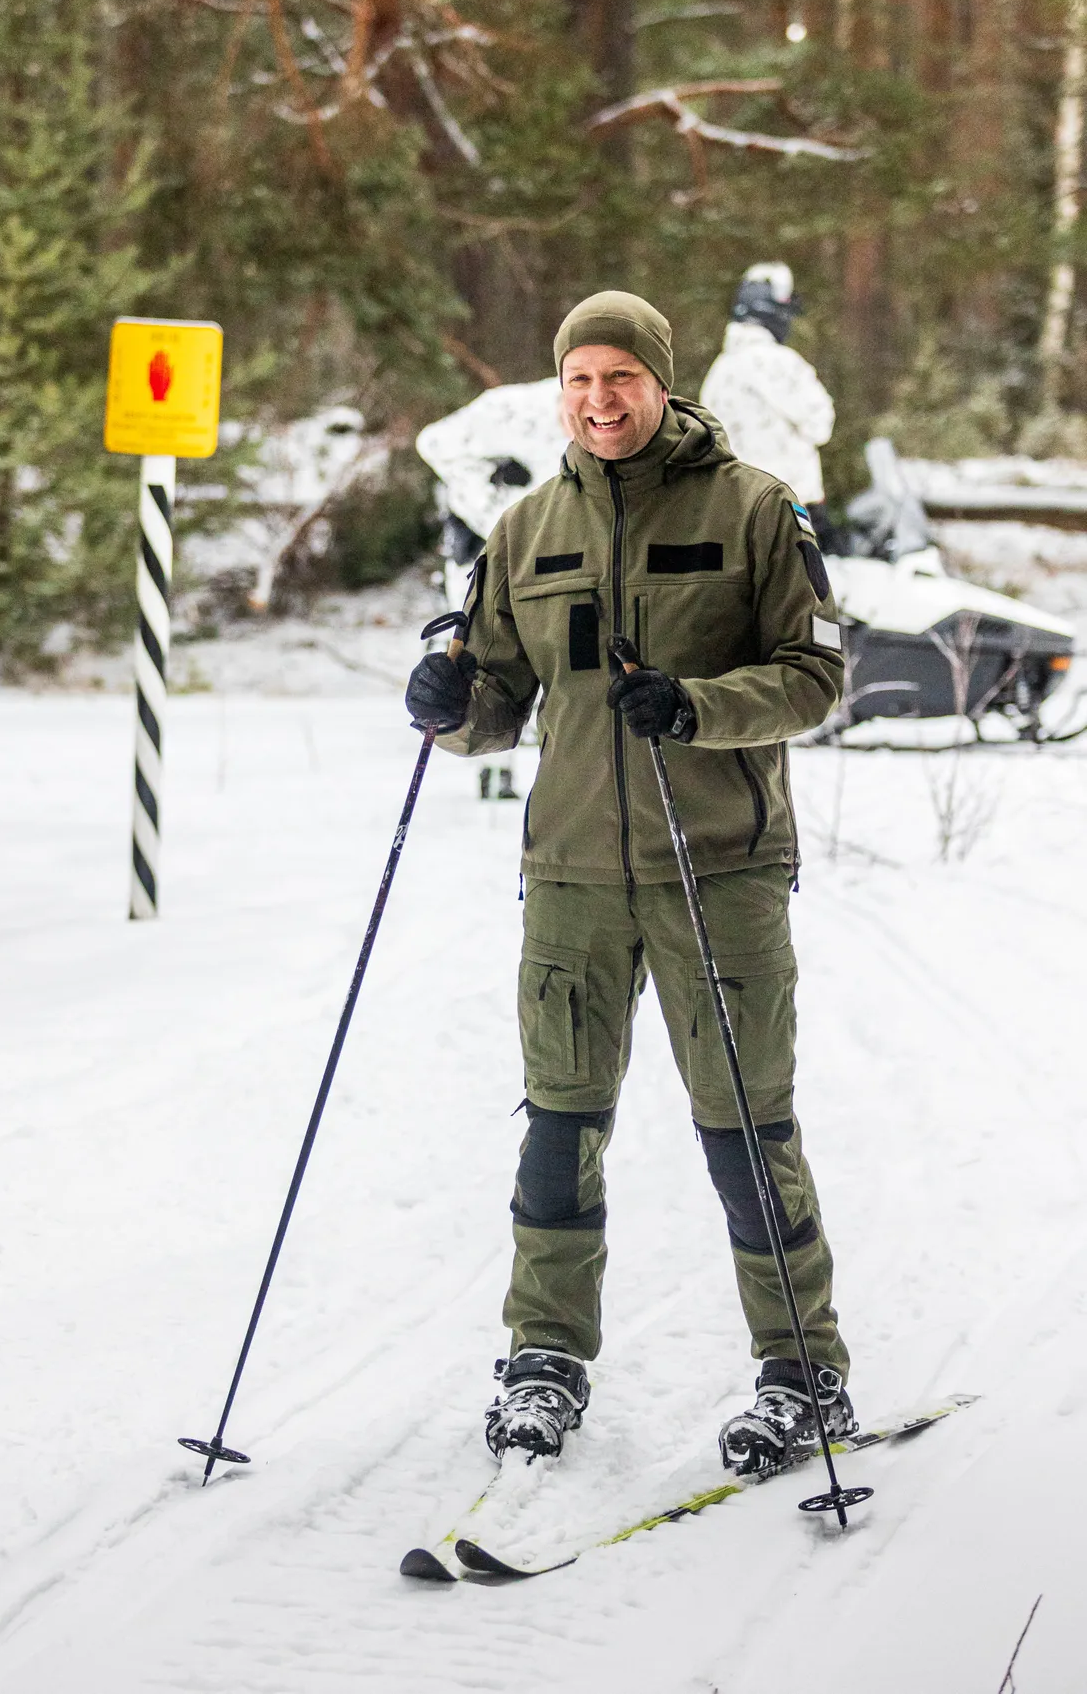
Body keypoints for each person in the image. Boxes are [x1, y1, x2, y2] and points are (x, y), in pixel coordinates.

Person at [404, 290, 854, 1479]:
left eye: (622, 379)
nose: (600, 401)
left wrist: (701, 707)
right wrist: (449, 714)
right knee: (560, 1126)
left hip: (721, 870)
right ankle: (544, 1359)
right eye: (580, 381)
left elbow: (814, 677)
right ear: (561, 391)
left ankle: (804, 1369)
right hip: (573, 877)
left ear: (663, 382)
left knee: (745, 1126)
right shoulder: (527, 529)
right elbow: (499, 701)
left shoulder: (754, 509)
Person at [416, 380, 568, 799]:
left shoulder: (600, 423)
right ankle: (493, 772)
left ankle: (549, 765)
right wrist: (491, 493)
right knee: (482, 657)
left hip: (548, 558)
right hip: (483, 555)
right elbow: (433, 442)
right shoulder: (509, 409)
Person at [700, 262, 845, 554]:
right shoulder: (780, 363)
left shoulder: (720, 370)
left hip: (736, 508)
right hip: (792, 507)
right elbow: (820, 423)